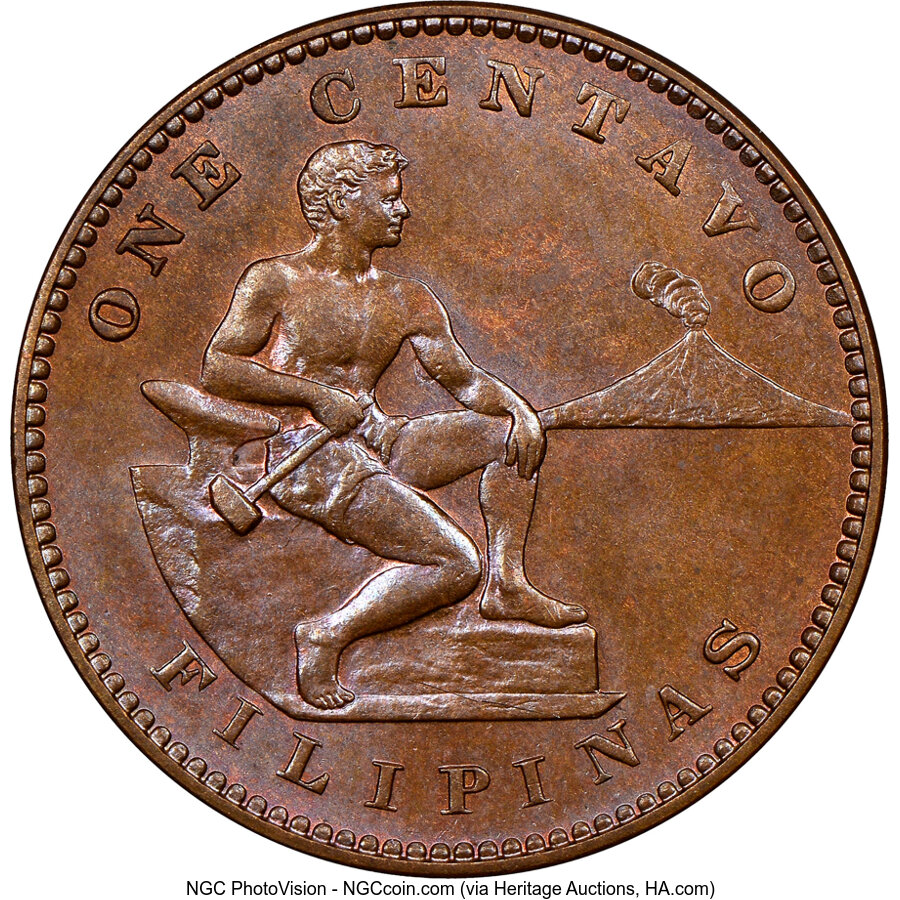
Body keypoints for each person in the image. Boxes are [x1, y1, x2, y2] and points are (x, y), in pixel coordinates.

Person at [201, 140, 585, 710]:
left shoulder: (406, 297)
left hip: (379, 438)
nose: (402, 210)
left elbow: (465, 380)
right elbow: (219, 367)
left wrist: (519, 409)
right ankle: (326, 634)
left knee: (511, 437)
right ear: (340, 204)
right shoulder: (275, 280)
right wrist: (313, 395)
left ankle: (506, 584)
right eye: (388, 199)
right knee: (456, 563)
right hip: (310, 457)